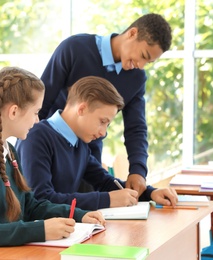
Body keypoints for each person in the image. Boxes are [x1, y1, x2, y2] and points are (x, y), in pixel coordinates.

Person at [0, 67, 105, 260]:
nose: (37, 120)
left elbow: (29, 206)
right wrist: (39, 230)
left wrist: (77, 215)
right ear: (14, 111)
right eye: (35, 112)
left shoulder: (8, 151)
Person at [31, 13, 173, 195]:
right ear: (132, 33)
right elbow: (41, 102)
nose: (141, 65)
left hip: (88, 158)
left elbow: (136, 127)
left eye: (148, 62)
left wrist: (138, 170)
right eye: (143, 55)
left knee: (90, 211)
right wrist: (30, 143)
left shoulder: (136, 78)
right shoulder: (75, 49)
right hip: (50, 149)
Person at [16, 76, 177, 210]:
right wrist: (107, 200)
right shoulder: (36, 137)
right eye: (102, 121)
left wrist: (151, 193)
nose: (103, 132)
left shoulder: (79, 144)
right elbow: (41, 199)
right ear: (82, 109)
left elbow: (106, 182)